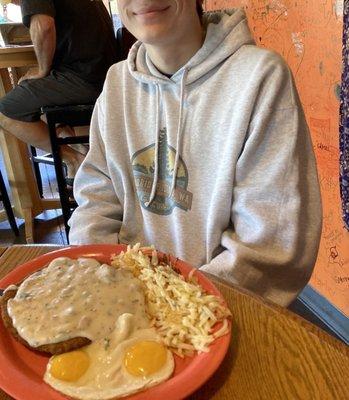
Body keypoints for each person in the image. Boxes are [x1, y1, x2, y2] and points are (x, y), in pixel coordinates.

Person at [69, 0, 322, 307]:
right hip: (124, 303)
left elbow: (269, 246)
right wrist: (105, 281)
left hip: (221, 310)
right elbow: (96, 198)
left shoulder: (260, 77)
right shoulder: (116, 83)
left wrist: (176, 307)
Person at [0, 0, 118, 180]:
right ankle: (75, 144)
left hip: (85, 79)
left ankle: (74, 160)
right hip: (108, 76)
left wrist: (42, 69)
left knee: (6, 111)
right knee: (35, 96)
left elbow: (44, 26)